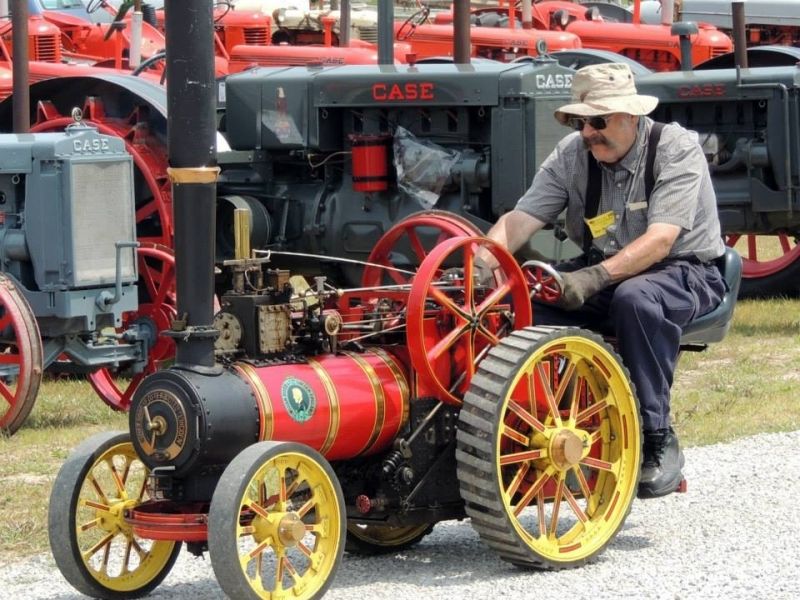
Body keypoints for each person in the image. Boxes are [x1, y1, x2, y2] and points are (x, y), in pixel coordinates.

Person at [481, 62, 726, 498]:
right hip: (608, 269)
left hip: (687, 270)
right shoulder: (573, 154)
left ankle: (656, 439)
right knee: (518, 304)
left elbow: (661, 240)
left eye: (599, 121)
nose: (589, 132)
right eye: (581, 122)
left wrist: (591, 278)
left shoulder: (675, 148)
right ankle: (532, 427)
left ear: (631, 115)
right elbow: (520, 219)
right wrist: (481, 263)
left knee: (635, 300)